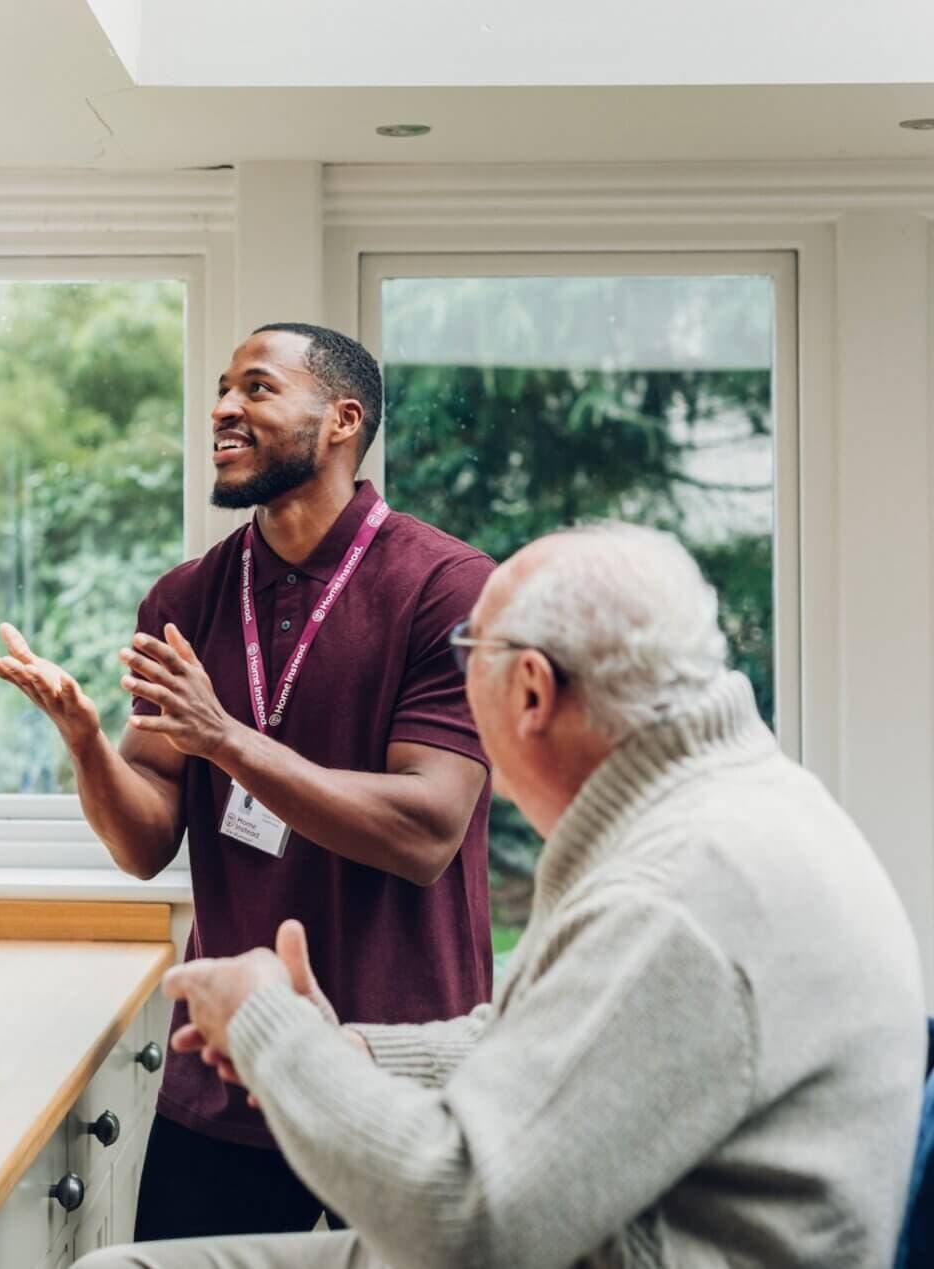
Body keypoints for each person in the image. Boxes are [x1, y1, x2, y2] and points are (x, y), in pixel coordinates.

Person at [77, 522, 926, 1269]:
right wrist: (360, 1053)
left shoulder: (674, 893)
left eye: (464, 659)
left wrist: (272, 1029)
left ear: (528, 691)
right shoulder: (736, 805)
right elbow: (572, 1039)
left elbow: (464, 1223)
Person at [0, 323, 494, 1240]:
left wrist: (225, 738)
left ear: (341, 419)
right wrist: (89, 744)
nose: (222, 407)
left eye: (257, 388)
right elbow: (144, 844)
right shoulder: (185, 599)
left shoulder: (448, 587)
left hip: (399, 1081)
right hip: (223, 1084)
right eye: (221, 388)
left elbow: (426, 832)